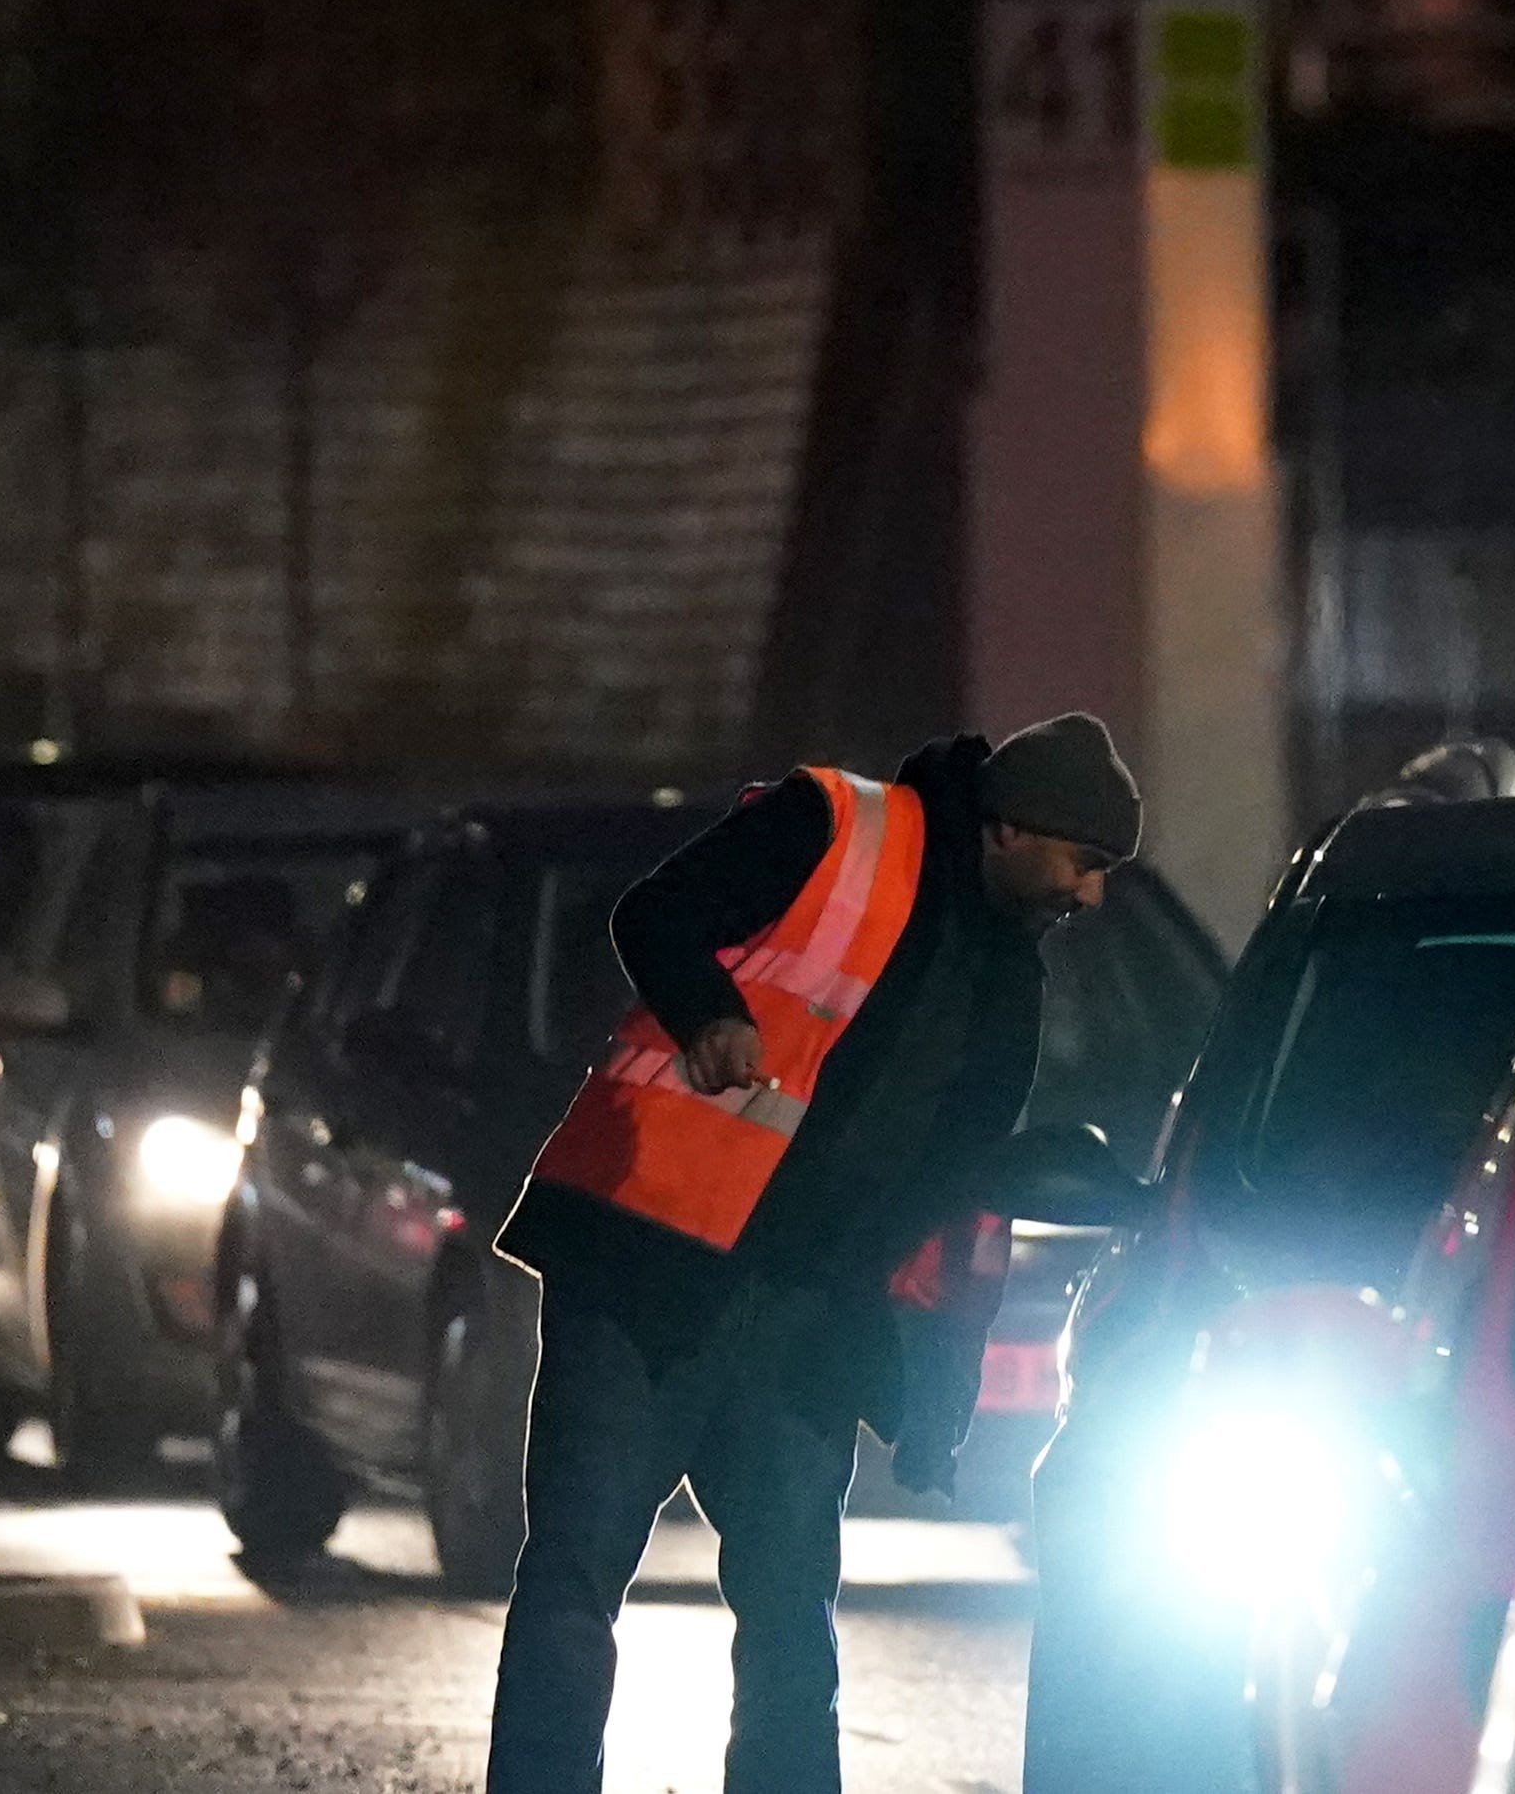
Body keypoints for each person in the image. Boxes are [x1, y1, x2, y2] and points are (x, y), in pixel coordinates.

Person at [485, 714, 1143, 1794]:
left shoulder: (1008, 975)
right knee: (574, 1577)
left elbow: (952, 1191)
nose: (1089, 894)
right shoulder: (836, 827)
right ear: (1012, 827)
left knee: (791, 1617)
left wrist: (932, 1380)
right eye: (1084, 861)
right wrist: (706, 1014)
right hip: (650, 1264)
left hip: (800, 1313)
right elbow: (652, 912)